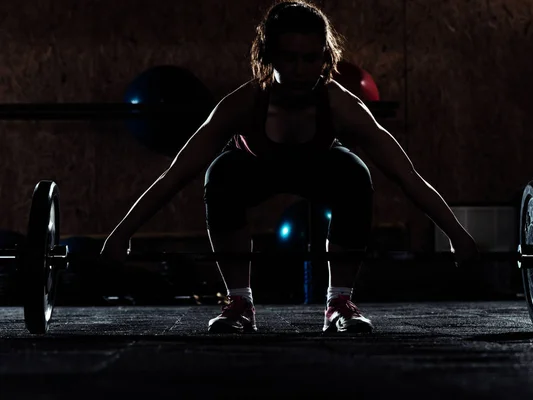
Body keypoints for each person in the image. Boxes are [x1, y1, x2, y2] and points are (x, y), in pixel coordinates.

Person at [100, 0, 479, 334]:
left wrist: (456, 235)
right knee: (221, 174)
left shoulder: (343, 105)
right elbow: (174, 176)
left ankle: (340, 303)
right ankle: (239, 304)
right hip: (254, 170)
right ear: (268, 57)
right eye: (288, 58)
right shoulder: (242, 104)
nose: (299, 70)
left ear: (325, 58)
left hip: (320, 169)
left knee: (355, 173)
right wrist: (122, 235)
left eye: (310, 59)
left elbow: (406, 175)